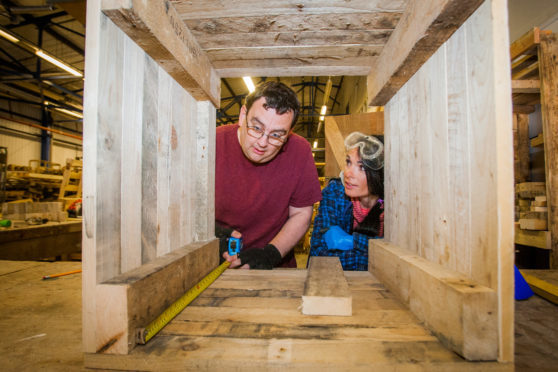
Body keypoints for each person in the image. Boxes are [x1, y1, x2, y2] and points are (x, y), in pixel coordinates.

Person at [215, 81, 322, 269]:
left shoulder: (300, 151)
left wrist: (271, 254)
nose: (262, 142)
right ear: (242, 115)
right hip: (214, 264)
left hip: (275, 267)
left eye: (276, 135)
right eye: (256, 128)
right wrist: (209, 234)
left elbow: (301, 214)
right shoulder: (211, 143)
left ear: (288, 133)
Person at [309, 132, 384, 271]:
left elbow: (398, 257)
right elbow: (319, 255)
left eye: (362, 167)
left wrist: (353, 242)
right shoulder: (335, 193)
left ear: (379, 174)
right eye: (348, 162)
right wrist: (374, 250)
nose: (348, 173)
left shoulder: (394, 207)